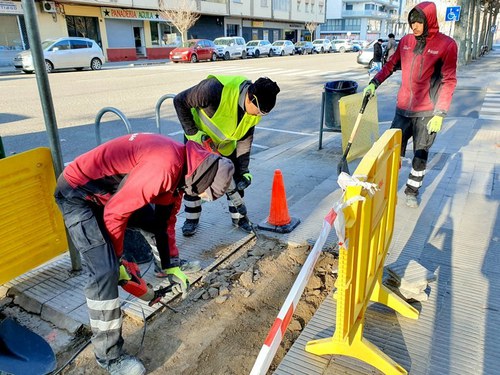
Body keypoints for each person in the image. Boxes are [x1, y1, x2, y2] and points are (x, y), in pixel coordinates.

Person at [54, 133, 234, 375]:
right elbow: (115, 214)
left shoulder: (184, 168)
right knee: (105, 272)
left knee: (151, 222)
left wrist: (171, 265)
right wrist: (118, 261)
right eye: (204, 195)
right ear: (200, 182)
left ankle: (162, 269)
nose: (201, 199)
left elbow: (164, 222)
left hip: (108, 193)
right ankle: (108, 357)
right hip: (77, 194)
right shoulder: (163, 167)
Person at [363, 1, 458, 208]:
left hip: (427, 112)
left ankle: (412, 190)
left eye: (419, 22)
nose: (414, 26)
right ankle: (385, 188)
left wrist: (440, 113)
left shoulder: (446, 45)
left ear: (429, 21)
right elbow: (390, 65)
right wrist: (374, 83)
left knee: (420, 154)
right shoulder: (406, 41)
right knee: (390, 153)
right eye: (412, 21)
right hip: (402, 110)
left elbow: (449, 80)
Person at [173, 75, 281, 236]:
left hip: (225, 146)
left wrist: (243, 170)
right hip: (198, 143)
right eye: (259, 112)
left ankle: (240, 218)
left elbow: (245, 139)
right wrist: (194, 134)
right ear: (250, 99)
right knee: (193, 182)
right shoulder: (214, 89)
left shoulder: (253, 113)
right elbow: (179, 101)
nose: (259, 116)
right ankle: (191, 220)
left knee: (236, 180)